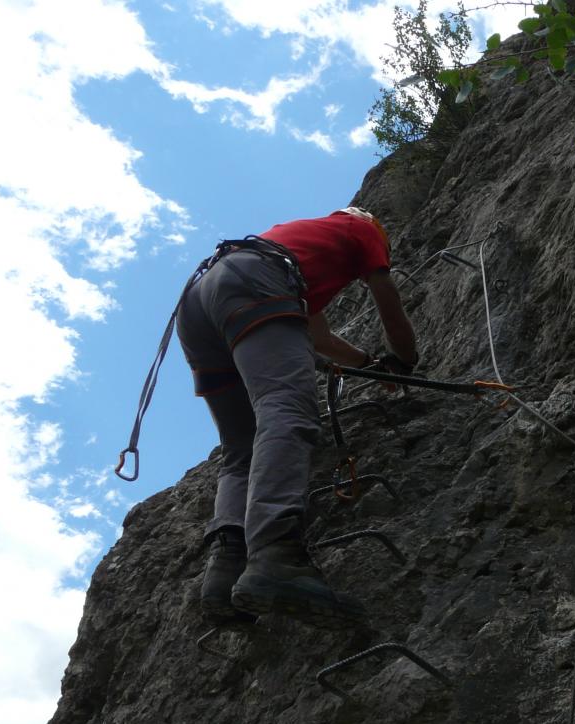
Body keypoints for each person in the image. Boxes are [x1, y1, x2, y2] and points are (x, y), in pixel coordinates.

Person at [175, 207, 419, 627]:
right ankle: (276, 555)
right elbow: (386, 292)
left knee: (241, 447)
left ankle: (224, 571)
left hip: (199, 304)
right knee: (286, 406)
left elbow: (319, 337)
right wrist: (405, 360)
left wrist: (370, 363)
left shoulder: (297, 245)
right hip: (252, 283)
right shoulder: (362, 227)